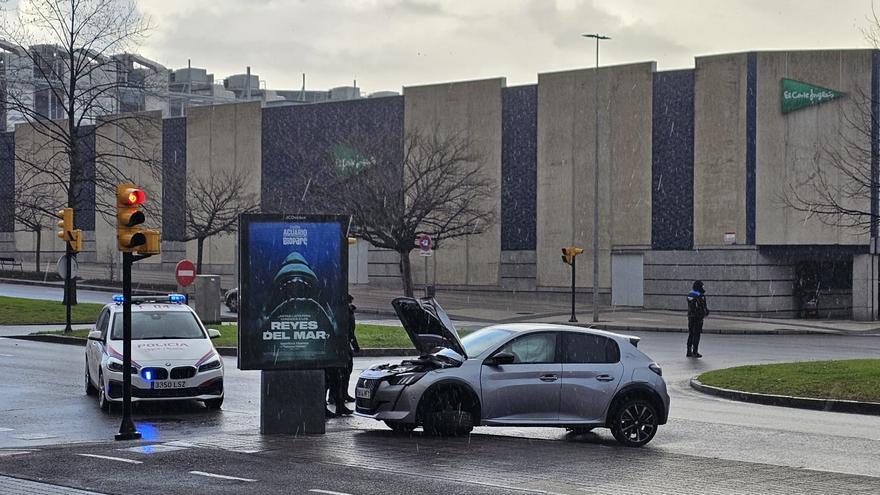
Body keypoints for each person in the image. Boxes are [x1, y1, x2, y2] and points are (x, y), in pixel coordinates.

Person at [326, 294, 360, 416]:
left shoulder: (347, 312)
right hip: (337, 347)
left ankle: (340, 401)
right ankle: (334, 400)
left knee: (342, 374)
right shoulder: (340, 313)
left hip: (343, 346)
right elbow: (347, 331)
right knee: (334, 376)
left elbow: (350, 332)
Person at [686, 280, 709, 358]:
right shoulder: (700, 296)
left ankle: (688, 351)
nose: (703, 288)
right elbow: (704, 307)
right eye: (702, 286)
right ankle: (695, 352)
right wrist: (705, 313)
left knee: (691, 334)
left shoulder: (689, 294)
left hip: (690, 316)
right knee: (697, 334)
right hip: (698, 317)